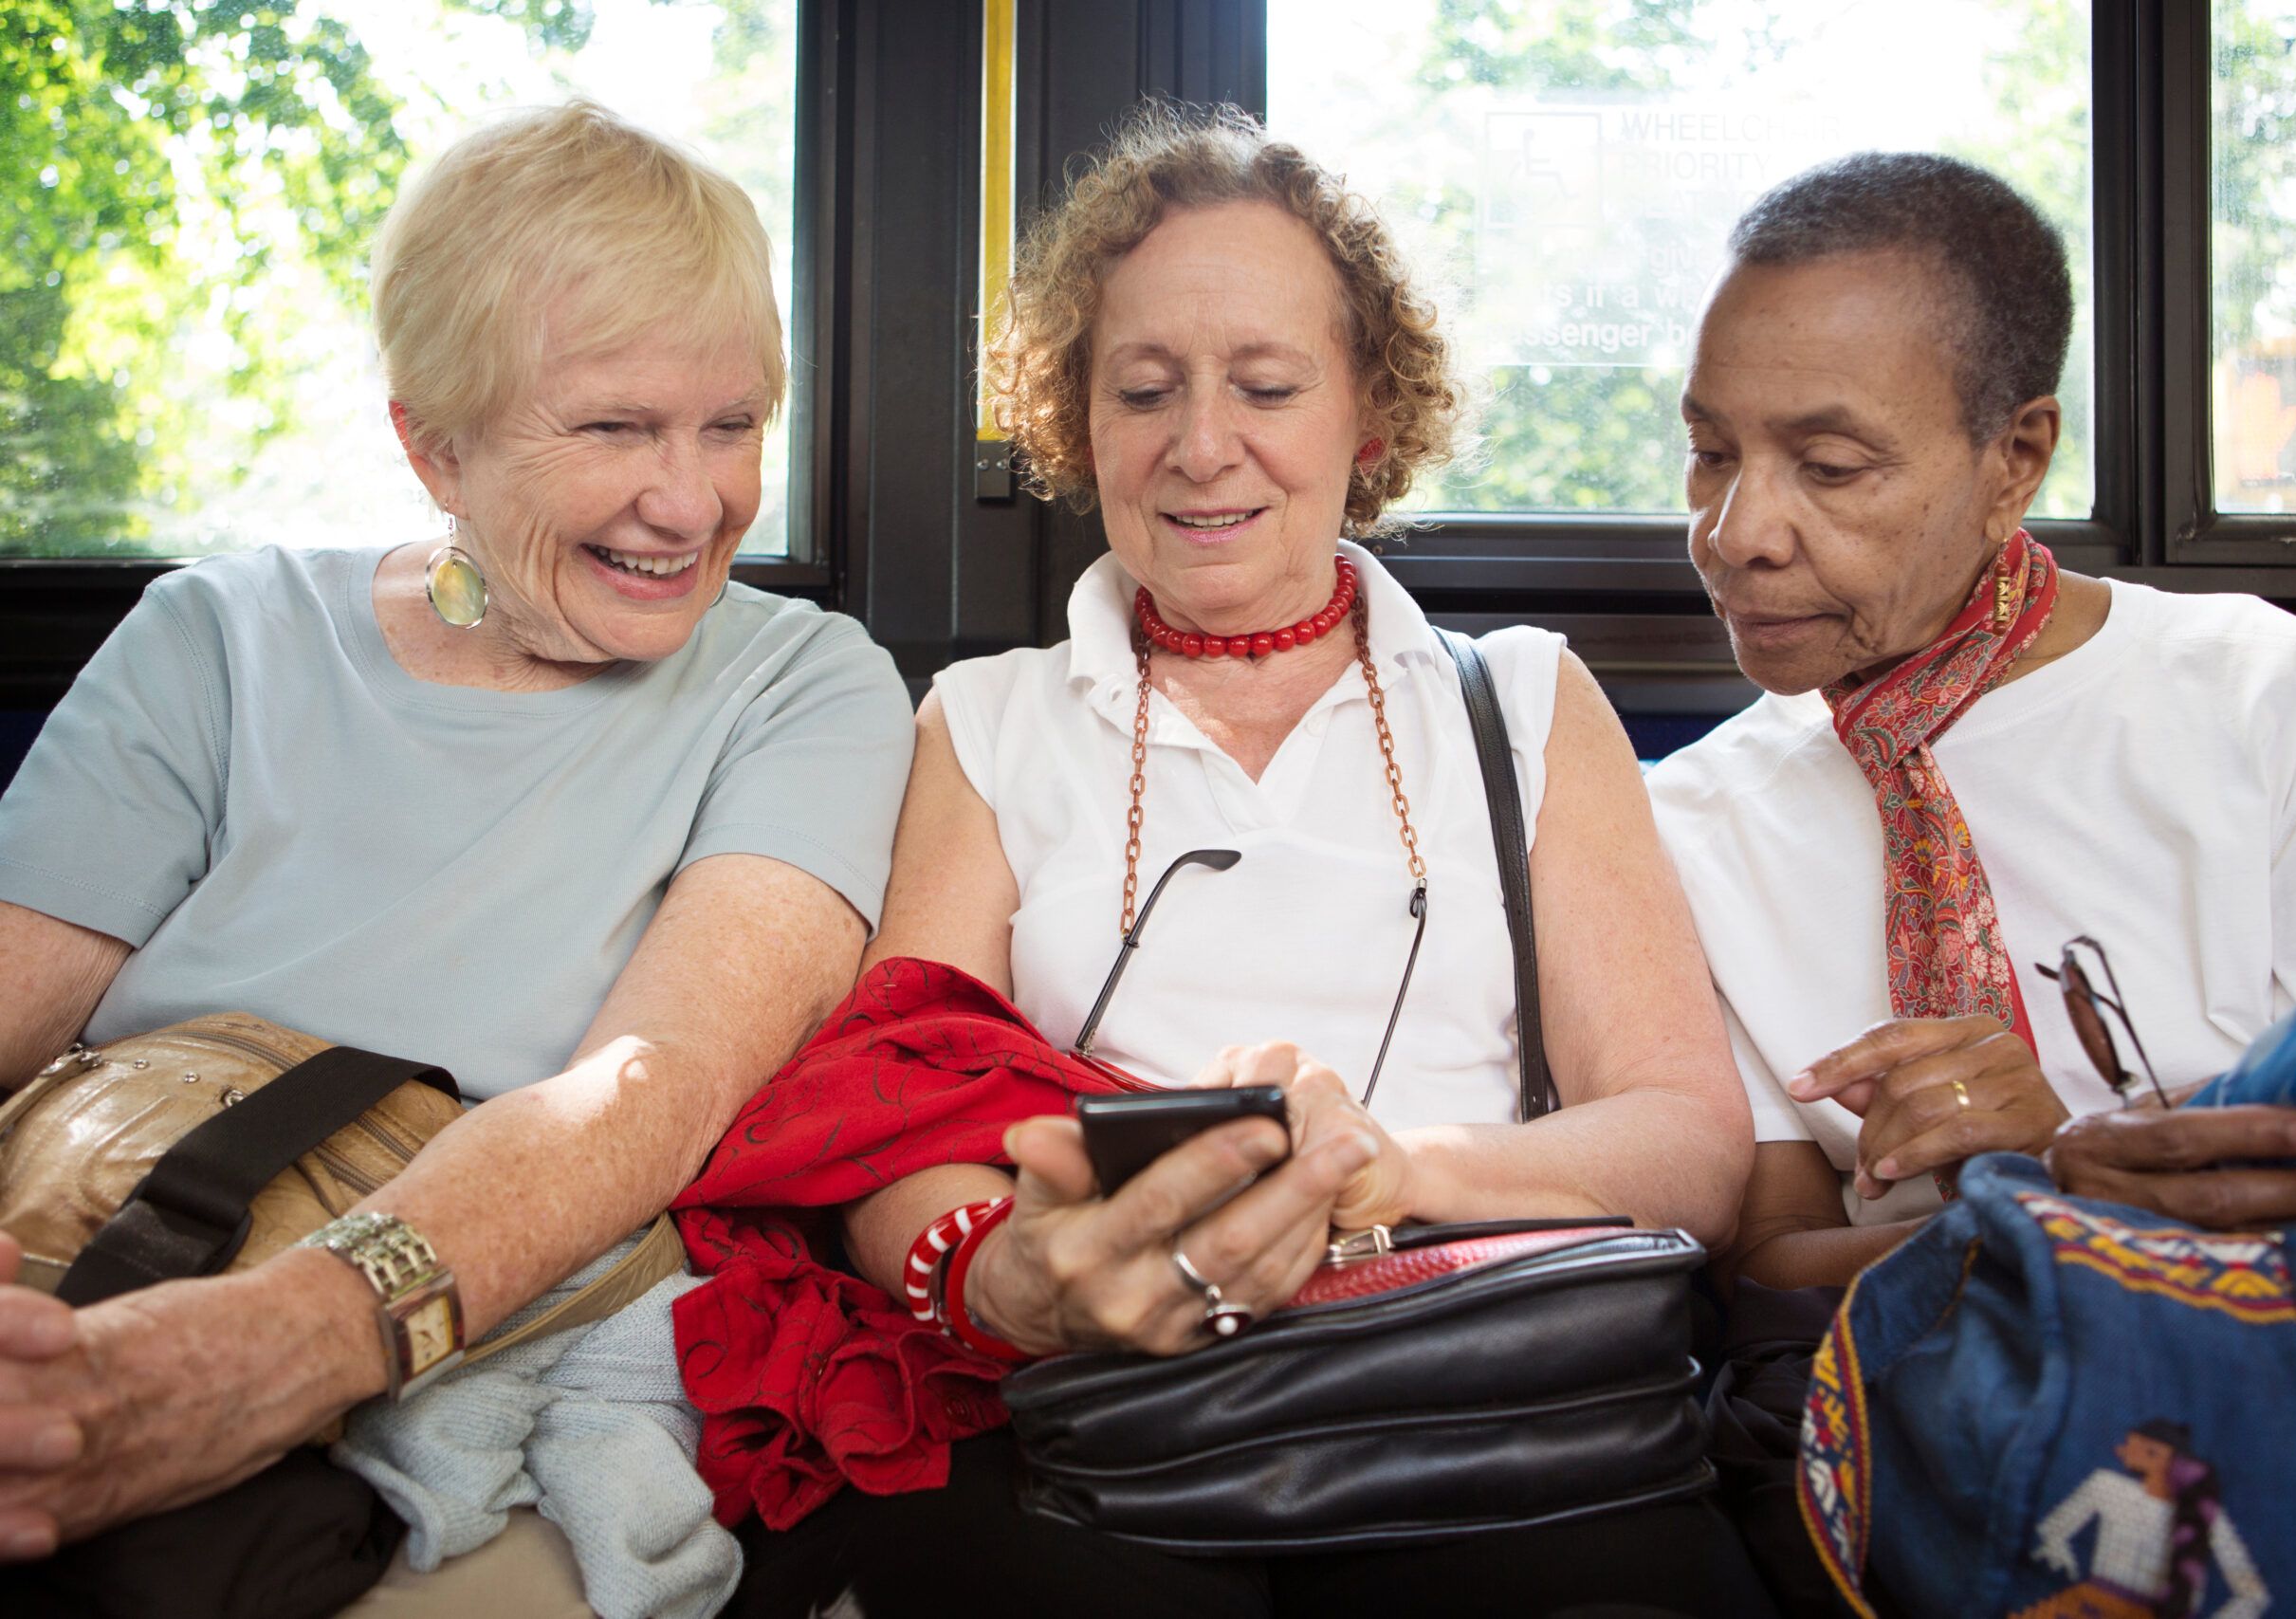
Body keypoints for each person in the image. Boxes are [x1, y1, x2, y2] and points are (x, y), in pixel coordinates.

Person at [692, 103, 1772, 1618]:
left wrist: (1392, 1173)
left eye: (1266, 385)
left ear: (1369, 414)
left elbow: (1691, 1145)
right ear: (1079, 419)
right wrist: (1003, 1269)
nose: (1201, 446)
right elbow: (886, 1110)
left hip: (1480, 1399)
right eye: (1144, 390)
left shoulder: (1527, 697)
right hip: (1112, 1417)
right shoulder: (984, 720)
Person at [0, 100, 912, 1600]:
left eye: (733, 424)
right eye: (614, 427)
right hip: (108, 1207)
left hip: (480, 1318)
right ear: (433, 443)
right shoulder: (221, 635)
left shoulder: (804, 683)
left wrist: (282, 1344)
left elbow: (654, 1093)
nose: (692, 502)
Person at [1644, 150, 2296, 1286]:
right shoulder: (1688, 820)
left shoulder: (2251, 689)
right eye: (1710, 454)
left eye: (1829, 466)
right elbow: (1761, 1272)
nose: (1734, 533)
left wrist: (2062, 1161)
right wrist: (2043, 1197)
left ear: (2014, 461)